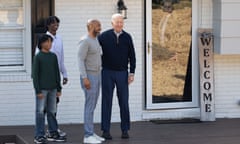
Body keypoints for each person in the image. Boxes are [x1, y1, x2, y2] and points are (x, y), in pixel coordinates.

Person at [98, 13, 136, 140]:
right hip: (107, 72)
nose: (119, 24)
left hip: (122, 73)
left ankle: (125, 130)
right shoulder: (103, 36)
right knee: (106, 102)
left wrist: (132, 73)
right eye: (117, 22)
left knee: (124, 102)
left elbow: (132, 56)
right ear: (112, 23)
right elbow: (95, 52)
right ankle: (105, 131)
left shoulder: (127, 37)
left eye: (121, 22)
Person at [35, 16, 68, 137]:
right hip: (44, 79)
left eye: (57, 23)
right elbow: (37, 58)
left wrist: (64, 74)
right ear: (48, 25)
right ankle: (41, 132)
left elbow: (61, 59)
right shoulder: (44, 39)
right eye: (53, 24)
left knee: (53, 107)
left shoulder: (59, 39)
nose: (56, 26)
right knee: (41, 109)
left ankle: (52, 129)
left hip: (55, 77)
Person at [77, 19, 105, 144]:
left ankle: (91, 132)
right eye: (98, 25)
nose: (100, 27)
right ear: (91, 26)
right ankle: (88, 136)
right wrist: (85, 78)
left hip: (97, 75)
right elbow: (80, 60)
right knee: (89, 106)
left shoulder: (95, 39)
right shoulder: (85, 40)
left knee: (92, 105)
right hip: (89, 76)